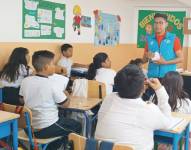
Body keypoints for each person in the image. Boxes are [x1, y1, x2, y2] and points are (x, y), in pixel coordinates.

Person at [95, 64, 172, 150]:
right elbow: (168, 123)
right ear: (143, 87)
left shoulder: (108, 99)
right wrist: (160, 90)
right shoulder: (149, 110)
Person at [19, 50, 81, 149]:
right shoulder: (52, 84)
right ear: (46, 67)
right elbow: (65, 104)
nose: (55, 67)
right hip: (46, 128)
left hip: (29, 128)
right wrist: (67, 95)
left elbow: (21, 100)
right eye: (53, 64)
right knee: (76, 125)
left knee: (63, 121)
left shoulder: (25, 81)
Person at [143, 13, 183, 79]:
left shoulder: (174, 38)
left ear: (166, 24)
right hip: (152, 77)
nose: (158, 25)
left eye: (161, 23)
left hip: (168, 77)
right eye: (156, 23)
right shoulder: (149, 39)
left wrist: (165, 62)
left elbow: (181, 58)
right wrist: (146, 56)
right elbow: (144, 59)